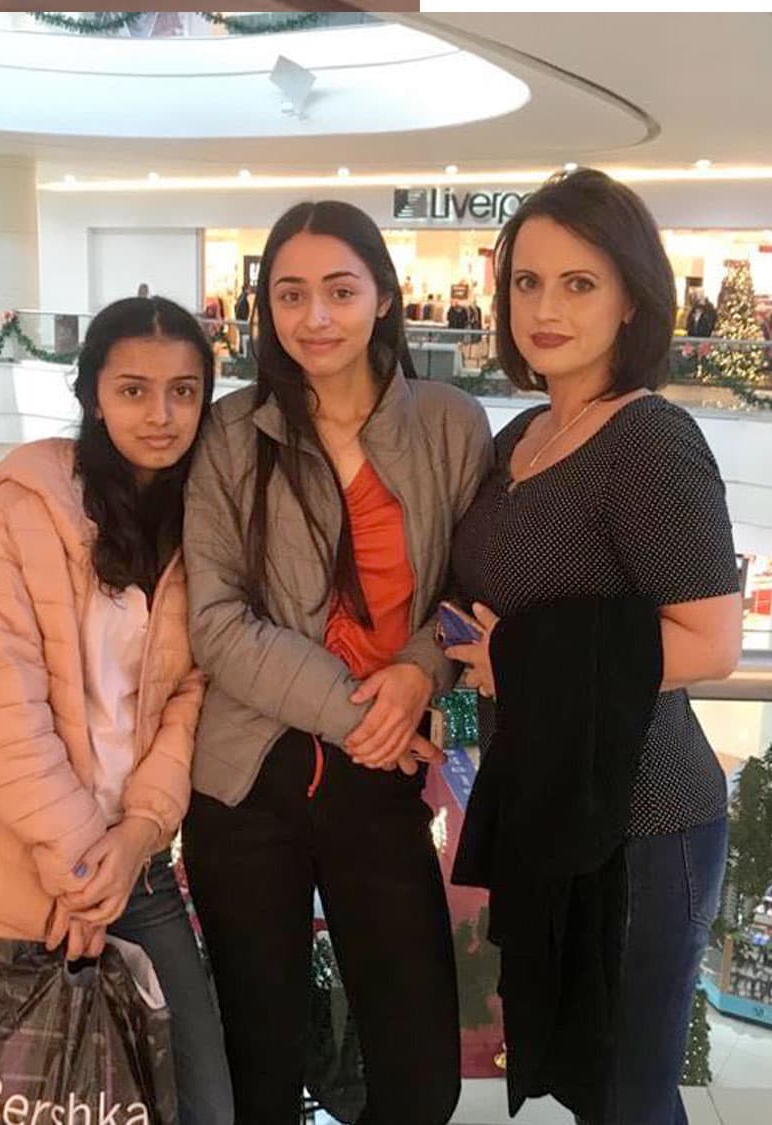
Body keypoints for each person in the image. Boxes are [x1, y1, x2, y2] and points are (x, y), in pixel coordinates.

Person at [180, 200, 491, 1125]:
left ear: (385, 297)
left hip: (382, 783)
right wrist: (363, 712)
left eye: (340, 290)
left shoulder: (449, 425)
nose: (315, 317)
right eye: (290, 294)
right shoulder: (232, 434)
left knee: (419, 1070)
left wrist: (418, 672)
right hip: (248, 779)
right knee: (260, 1069)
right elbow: (216, 622)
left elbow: (466, 603)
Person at [444, 167, 741, 1123]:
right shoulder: (520, 437)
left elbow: (713, 639)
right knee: (581, 1072)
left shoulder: (651, 440)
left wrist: (524, 664)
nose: (546, 307)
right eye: (527, 282)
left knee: (627, 1088)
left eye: (579, 283)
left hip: (646, 819)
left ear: (630, 299)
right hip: (553, 804)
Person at [0, 295, 234, 1125]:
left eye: (184, 391)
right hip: (0, 871)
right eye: (133, 389)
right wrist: (83, 873)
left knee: (200, 1102)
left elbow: (190, 695)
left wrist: (136, 838)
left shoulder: (202, 523)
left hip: (133, 858)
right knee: (26, 1106)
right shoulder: (22, 510)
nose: (161, 415)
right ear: (94, 393)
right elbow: (1, 712)